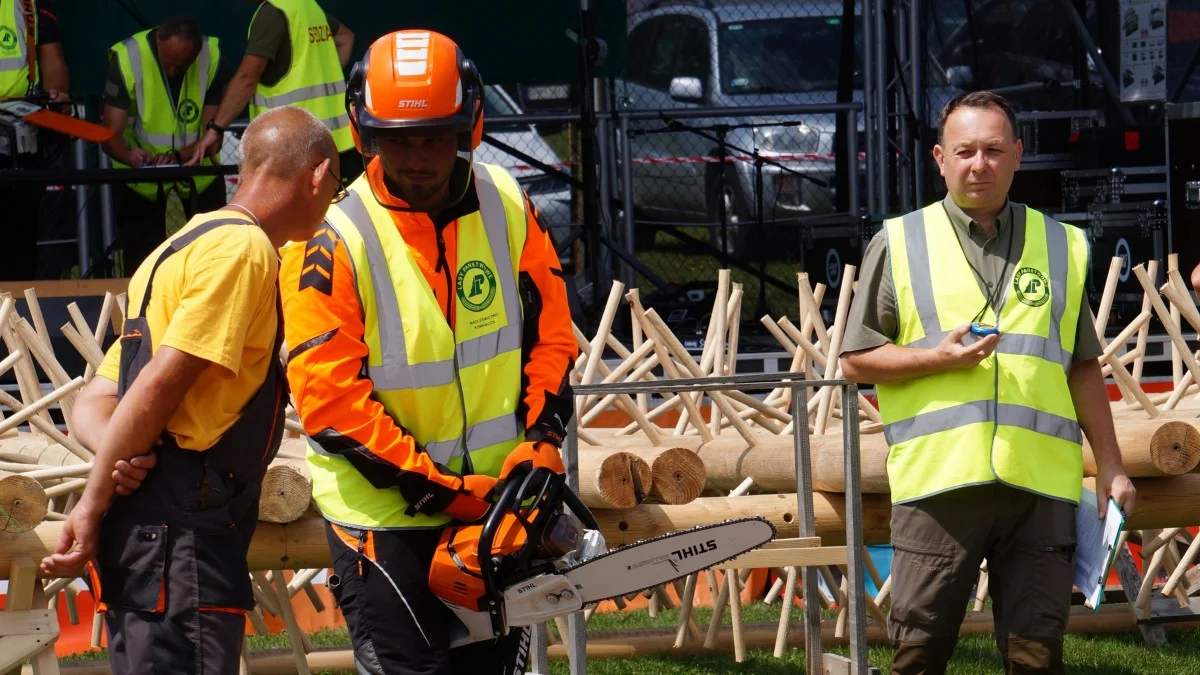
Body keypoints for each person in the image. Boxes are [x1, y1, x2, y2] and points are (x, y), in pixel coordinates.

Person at [280, 30, 576, 675]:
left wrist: (544, 434)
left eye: (434, 136)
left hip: (497, 501)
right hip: (386, 517)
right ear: (366, 134)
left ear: (468, 127)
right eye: (399, 139)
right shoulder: (330, 240)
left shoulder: (506, 203)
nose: (418, 156)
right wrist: (448, 493)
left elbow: (550, 333)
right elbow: (332, 404)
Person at [839, 91, 1137, 675]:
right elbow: (856, 360)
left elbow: (1080, 364)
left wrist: (1112, 465)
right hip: (940, 486)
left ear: (1018, 155)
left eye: (994, 150)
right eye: (966, 151)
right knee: (918, 653)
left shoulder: (1063, 246)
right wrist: (937, 359)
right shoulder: (898, 242)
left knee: (1036, 655)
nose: (980, 164)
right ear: (939, 159)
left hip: (1039, 490)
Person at [40, 106, 341, 674]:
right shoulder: (244, 251)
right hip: (181, 543)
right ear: (318, 175)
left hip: (149, 533)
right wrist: (96, 495)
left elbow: (97, 399)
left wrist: (124, 455)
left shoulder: (176, 247)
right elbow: (160, 382)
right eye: (335, 188)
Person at [101, 16, 232, 273]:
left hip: (198, 172)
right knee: (142, 264)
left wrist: (176, 157)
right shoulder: (128, 57)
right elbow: (110, 135)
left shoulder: (213, 57)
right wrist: (131, 156)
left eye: (182, 66)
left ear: (195, 54)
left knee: (214, 259)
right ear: (158, 40)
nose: (173, 71)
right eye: (168, 64)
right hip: (140, 179)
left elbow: (212, 138)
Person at [187, 0, 359, 179]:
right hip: (338, 144)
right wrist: (322, 70)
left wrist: (216, 128)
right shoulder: (306, 6)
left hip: (294, 148)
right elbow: (346, 38)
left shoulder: (274, 13)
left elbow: (247, 78)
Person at [0, 0, 69, 281]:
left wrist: (57, 93)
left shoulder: (31, 4)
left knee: (20, 236)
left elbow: (53, 63)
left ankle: (16, 316)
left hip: (21, 134)